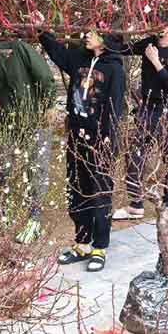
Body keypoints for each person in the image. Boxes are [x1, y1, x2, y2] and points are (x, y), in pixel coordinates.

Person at [39, 29, 126, 272]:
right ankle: (82, 242)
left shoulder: (114, 68)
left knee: (99, 192)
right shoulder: (79, 59)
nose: (86, 35)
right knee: (77, 188)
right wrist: (42, 32)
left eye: (94, 32)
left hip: (100, 140)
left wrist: (108, 139)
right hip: (76, 137)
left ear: (106, 38)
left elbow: (115, 106)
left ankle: (99, 246)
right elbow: (57, 53)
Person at [0, 27, 56, 245]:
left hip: (36, 119)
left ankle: (34, 221)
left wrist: (50, 104)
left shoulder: (17, 49)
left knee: (35, 170)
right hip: (7, 122)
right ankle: (0, 215)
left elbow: (44, 76)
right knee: (1, 167)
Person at [113, 24, 168, 220]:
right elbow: (124, 49)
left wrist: (156, 61)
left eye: (162, 25)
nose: (157, 28)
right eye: (154, 23)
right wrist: (103, 31)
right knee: (134, 154)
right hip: (147, 109)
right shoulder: (148, 43)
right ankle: (136, 204)